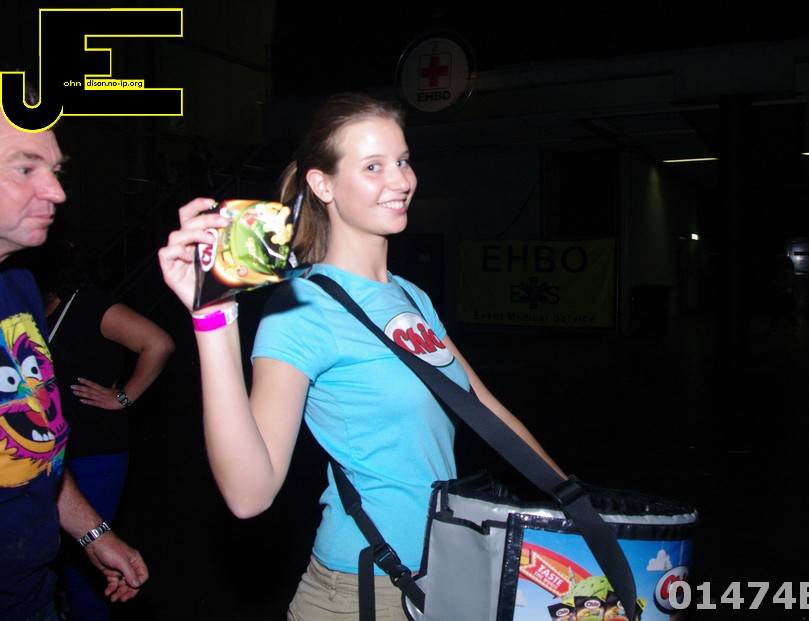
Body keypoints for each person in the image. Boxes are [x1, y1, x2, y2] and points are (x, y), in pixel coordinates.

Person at [157, 92, 564, 620]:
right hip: (363, 589)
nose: (400, 180)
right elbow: (248, 494)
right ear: (322, 184)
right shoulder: (302, 309)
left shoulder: (411, 295)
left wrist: (573, 500)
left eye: (403, 161)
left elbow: (485, 409)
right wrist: (212, 317)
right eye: (373, 166)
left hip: (447, 573)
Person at [1, 87, 148, 620]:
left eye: (56, 170)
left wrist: (93, 533)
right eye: (26, 168)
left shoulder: (18, 287)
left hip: (31, 592)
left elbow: (30, 451)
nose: (56, 191)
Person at [19, 236, 174, 621]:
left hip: (94, 453)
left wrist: (123, 397)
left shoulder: (87, 305)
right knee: (54, 559)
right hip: (45, 456)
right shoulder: (25, 310)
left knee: (84, 570)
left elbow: (158, 343)